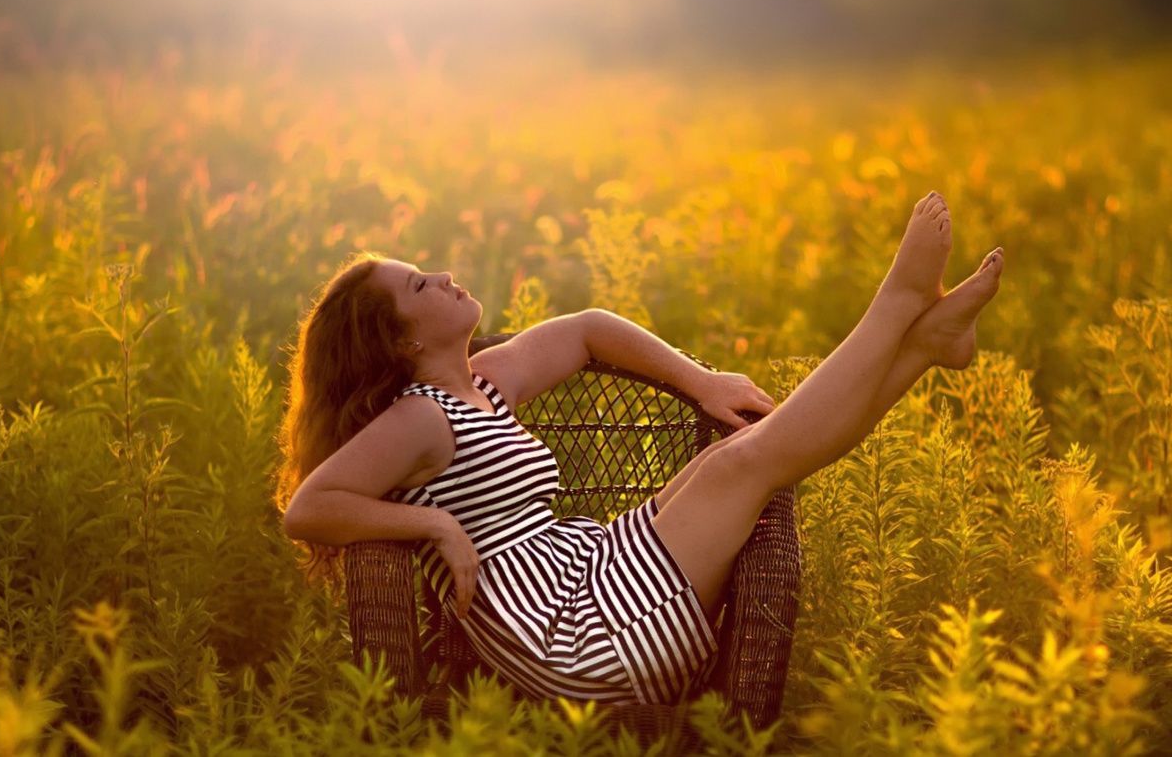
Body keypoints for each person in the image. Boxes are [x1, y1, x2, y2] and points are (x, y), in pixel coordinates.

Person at [277, 192, 1003, 706]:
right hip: (585, 640)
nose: (440, 274)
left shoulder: (484, 382)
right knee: (750, 462)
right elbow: (308, 508)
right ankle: (899, 309)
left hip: (595, 573)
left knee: (735, 457)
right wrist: (435, 524)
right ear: (401, 339)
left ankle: (922, 348)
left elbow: (589, 328)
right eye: (418, 284)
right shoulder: (417, 420)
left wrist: (700, 380)